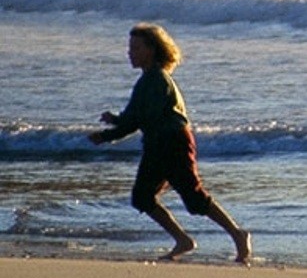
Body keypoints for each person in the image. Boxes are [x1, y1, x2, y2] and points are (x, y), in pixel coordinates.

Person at [90, 24, 251, 264]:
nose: (130, 53)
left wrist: (108, 134)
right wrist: (114, 123)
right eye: (130, 48)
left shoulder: (157, 79)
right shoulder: (146, 80)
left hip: (173, 142)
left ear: (152, 50)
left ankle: (237, 234)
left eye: (136, 48)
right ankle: (183, 240)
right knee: (142, 197)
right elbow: (135, 116)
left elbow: (140, 118)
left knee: (194, 198)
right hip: (157, 144)